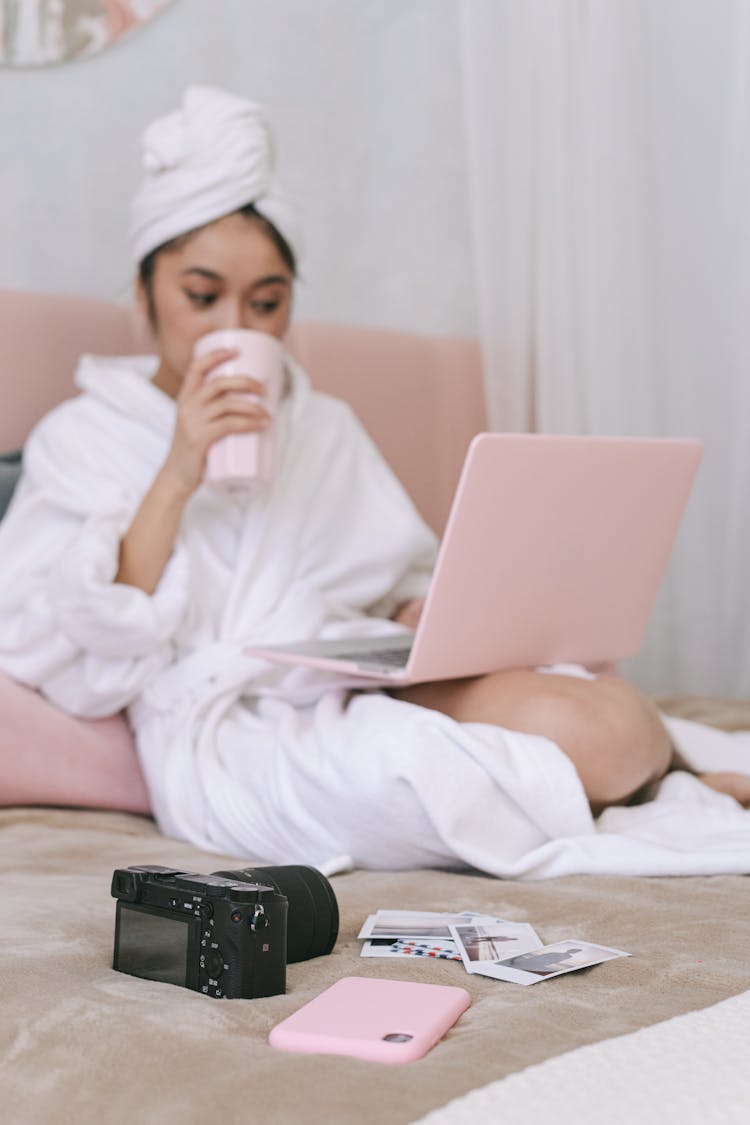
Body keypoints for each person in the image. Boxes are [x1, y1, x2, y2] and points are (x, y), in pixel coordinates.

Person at [0, 87, 747, 876]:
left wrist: (415, 611)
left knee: (604, 721)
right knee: (423, 777)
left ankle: (663, 771)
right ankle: (646, 790)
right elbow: (55, 648)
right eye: (202, 296)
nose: (237, 331)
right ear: (146, 294)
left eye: (267, 303)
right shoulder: (81, 436)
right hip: (229, 729)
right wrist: (180, 469)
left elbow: (394, 575)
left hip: (349, 672)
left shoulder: (322, 425)